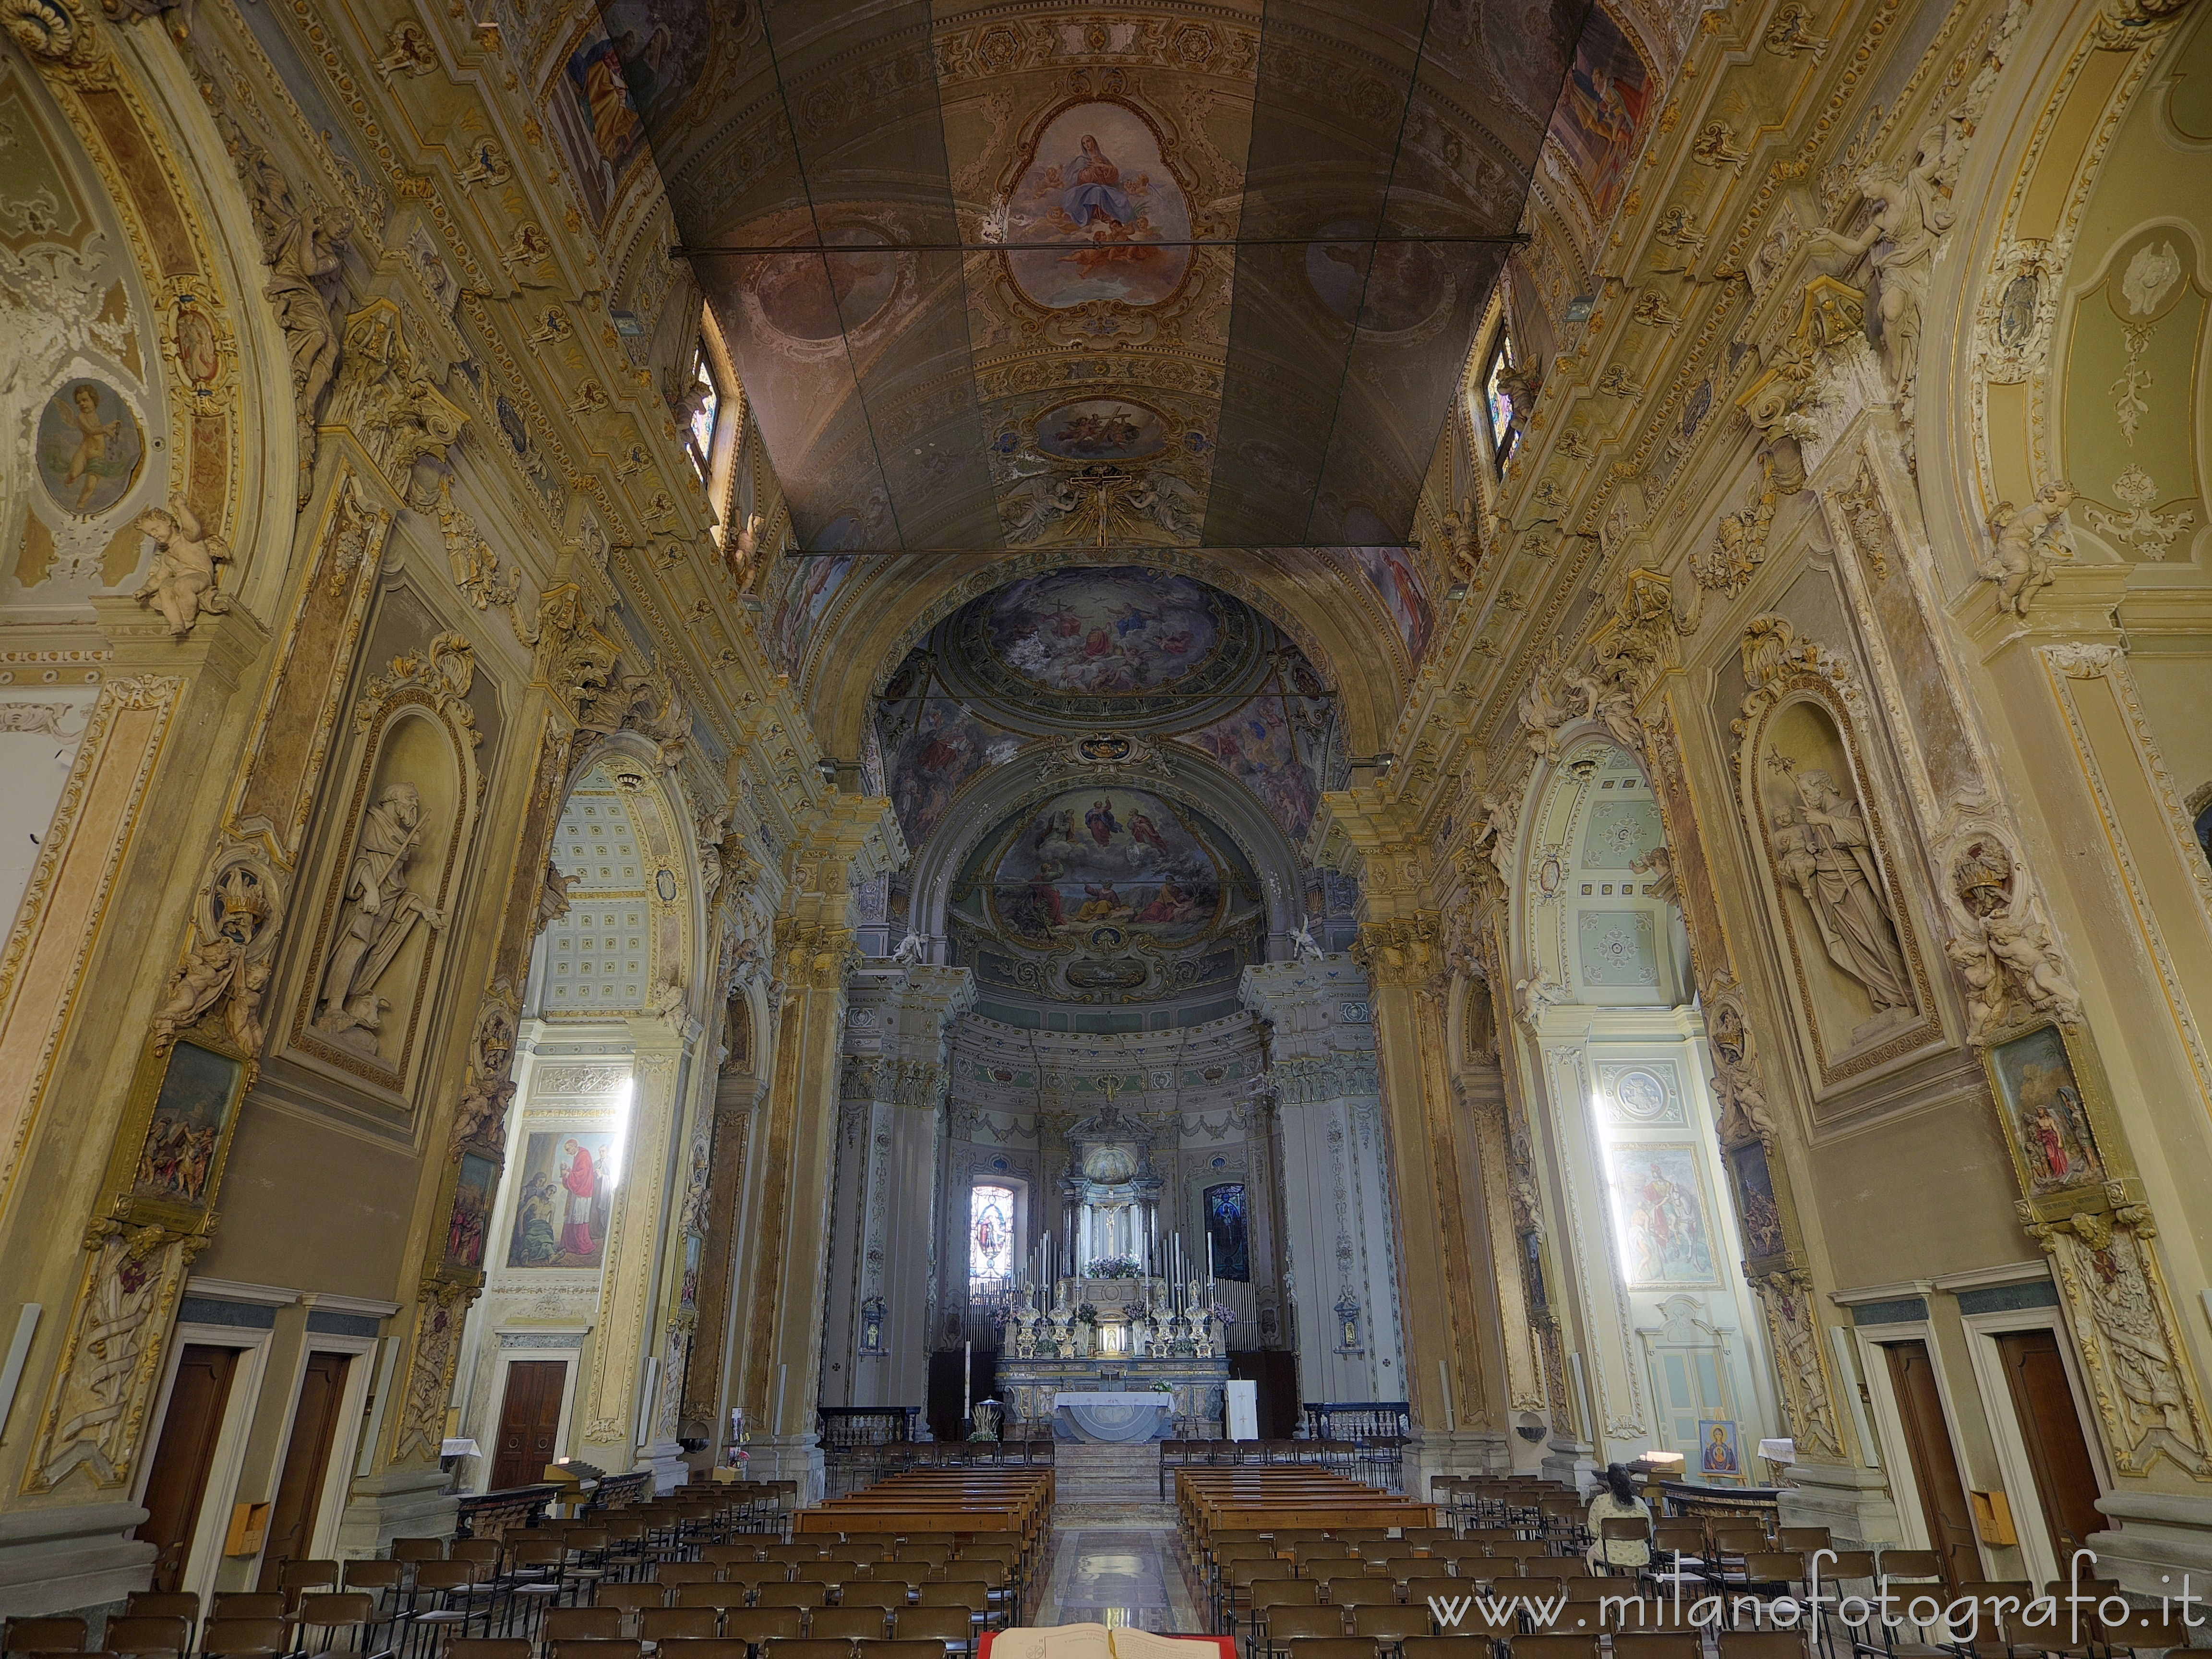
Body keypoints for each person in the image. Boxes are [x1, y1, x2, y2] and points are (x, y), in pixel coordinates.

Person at [1586, 1463, 1651, 1572]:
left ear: (1608, 1482)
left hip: (1610, 1554)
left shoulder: (1600, 1501)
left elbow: (1593, 1532)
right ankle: (1636, 1586)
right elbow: (1648, 1531)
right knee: (1636, 1553)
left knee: (1590, 1556)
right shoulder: (1640, 1502)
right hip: (1639, 1555)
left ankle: (1607, 1587)